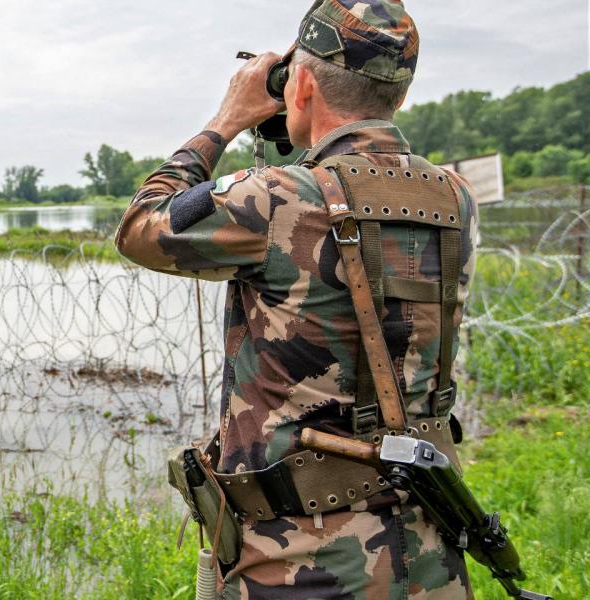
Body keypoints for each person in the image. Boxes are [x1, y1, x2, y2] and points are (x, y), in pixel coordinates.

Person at [115, 1, 478, 598]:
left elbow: (140, 227)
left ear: (301, 84)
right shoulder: (455, 198)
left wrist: (227, 120)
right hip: (430, 547)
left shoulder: (279, 197)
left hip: (301, 564)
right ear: (401, 96)